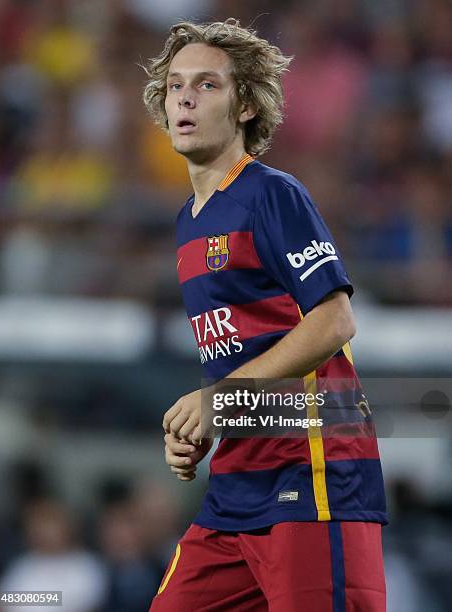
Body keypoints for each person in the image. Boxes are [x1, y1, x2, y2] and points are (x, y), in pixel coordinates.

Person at [143, 18, 387, 611]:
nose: (185, 98)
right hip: (237, 484)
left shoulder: (271, 193)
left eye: (207, 85)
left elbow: (334, 322)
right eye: (176, 85)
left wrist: (217, 400)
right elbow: (250, 350)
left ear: (246, 104)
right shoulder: (188, 223)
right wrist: (212, 424)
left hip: (311, 476)